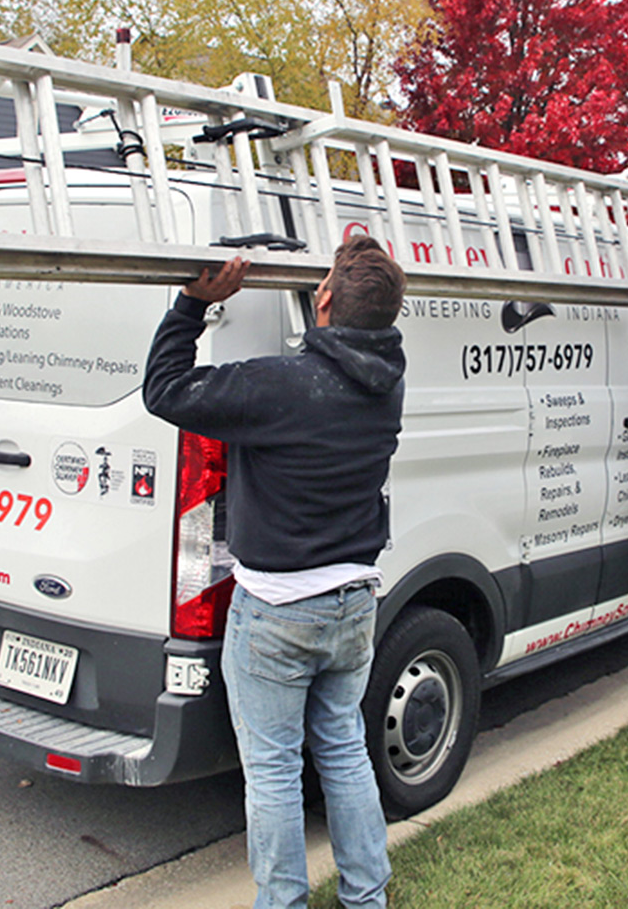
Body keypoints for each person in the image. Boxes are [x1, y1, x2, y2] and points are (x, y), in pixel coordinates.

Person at [143, 235, 407, 909]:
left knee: (273, 773)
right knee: (344, 752)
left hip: (277, 614)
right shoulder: (387, 383)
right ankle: (366, 897)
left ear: (321, 299)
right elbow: (349, 327)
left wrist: (191, 306)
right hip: (352, 605)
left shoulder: (277, 385)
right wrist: (354, 263)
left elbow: (165, 389)